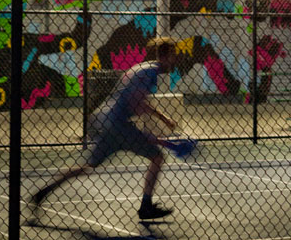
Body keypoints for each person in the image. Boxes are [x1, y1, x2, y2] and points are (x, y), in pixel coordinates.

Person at [29, 36, 179, 221]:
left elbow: (137, 100)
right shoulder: (150, 73)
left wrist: (163, 118)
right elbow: (136, 103)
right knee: (157, 156)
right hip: (118, 125)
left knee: (88, 166)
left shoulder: (142, 68)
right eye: (173, 55)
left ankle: (43, 192)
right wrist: (151, 136)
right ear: (165, 56)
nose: (175, 60)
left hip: (107, 120)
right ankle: (146, 206)